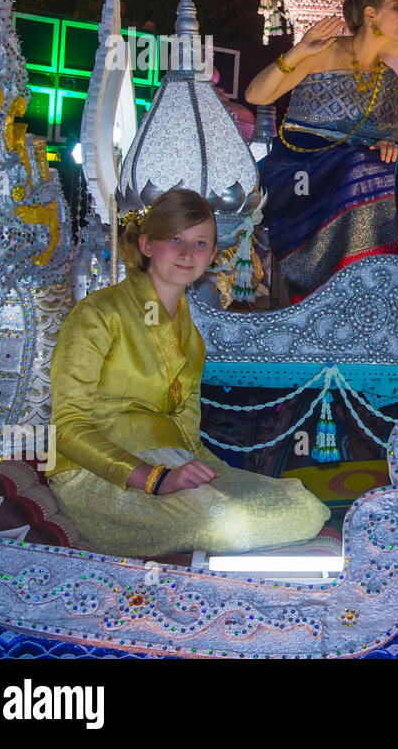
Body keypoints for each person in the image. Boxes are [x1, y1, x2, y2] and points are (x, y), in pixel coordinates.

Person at [48, 189, 330, 558]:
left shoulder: (191, 338)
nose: (186, 254)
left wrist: (219, 479)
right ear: (147, 244)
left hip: (171, 461)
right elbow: (67, 428)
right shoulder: (98, 314)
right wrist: (155, 478)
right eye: (174, 239)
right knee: (227, 521)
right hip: (100, 473)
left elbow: (188, 436)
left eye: (199, 243)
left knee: (305, 507)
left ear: (212, 256)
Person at [245, 0, 398, 302]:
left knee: (393, 175)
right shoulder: (324, 51)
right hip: (299, 171)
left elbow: (390, 141)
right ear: (370, 14)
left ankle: (373, 289)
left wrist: (387, 145)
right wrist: (300, 51)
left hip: (348, 175)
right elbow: (255, 95)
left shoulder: (389, 80)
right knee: (360, 168)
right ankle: (331, 291)